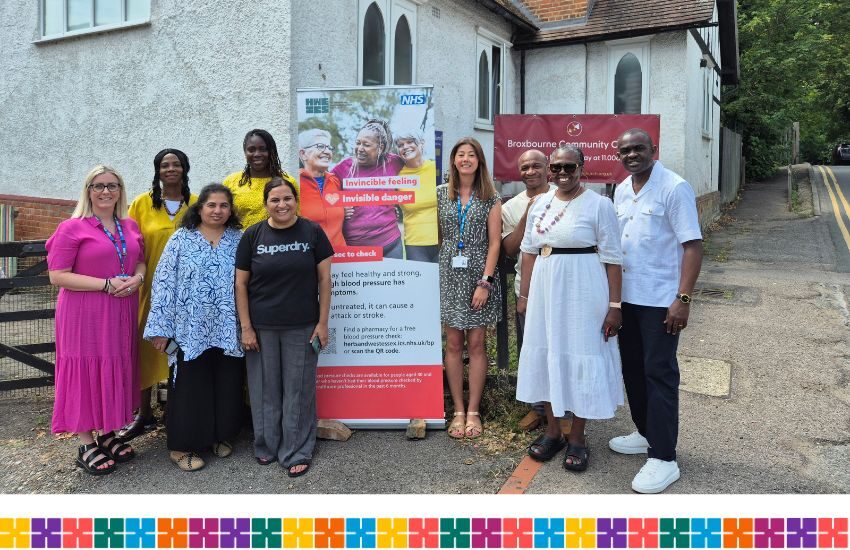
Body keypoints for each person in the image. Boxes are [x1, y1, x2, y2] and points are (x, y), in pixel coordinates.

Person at [515, 146, 624, 471]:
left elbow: (614, 259)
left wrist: (614, 306)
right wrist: (524, 296)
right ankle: (553, 431)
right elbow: (529, 252)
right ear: (550, 169)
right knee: (548, 354)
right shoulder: (540, 204)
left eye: (569, 167)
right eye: (557, 167)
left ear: (581, 167)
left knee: (582, 355)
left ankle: (577, 436)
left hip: (585, 290)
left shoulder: (599, 205)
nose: (563, 173)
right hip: (545, 291)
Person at [609, 128, 703, 493]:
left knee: (659, 373)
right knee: (632, 369)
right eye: (625, 150)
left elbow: (693, 246)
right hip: (628, 298)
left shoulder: (674, 187)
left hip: (661, 301)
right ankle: (646, 432)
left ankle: (664, 458)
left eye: (638, 148)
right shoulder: (622, 189)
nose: (631, 154)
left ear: (653, 150)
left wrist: (683, 299)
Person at [46, 165, 145, 475]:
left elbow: (139, 259)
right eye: (99, 185)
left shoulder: (129, 225)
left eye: (112, 185)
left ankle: (107, 433)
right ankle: (86, 441)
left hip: (120, 310)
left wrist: (138, 278)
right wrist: (105, 284)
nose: (106, 191)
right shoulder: (72, 227)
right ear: (88, 190)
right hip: (84, 312)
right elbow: (57, 275)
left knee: (113, 365)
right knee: (86, 369)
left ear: (120, 190)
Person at [235, 178, 333, 477]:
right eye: (275, 200)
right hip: (261, 327)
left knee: (298, 390)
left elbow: (325, 281)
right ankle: (266, 445)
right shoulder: (253, 235)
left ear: (296, 201)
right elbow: (240, 284)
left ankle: (296, 450)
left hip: (302, 326)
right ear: (266, 204)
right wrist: (246, 327)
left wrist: (323, 323)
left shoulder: (312, 232)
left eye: (287, 198)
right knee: (265, 389)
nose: (282, 205)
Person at [144, 183, 245, 472]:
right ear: (200, 208)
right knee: (190, 386)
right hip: (188, 330)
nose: (218, 210)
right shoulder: (180, 240)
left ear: (230, 210)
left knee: (226, 383)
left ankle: (220, 435)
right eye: (211, 205)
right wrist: (160, 329)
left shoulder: (239, 240)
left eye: (224, 205)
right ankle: (182, 446)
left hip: (228, 327)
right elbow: (163, 283)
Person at [119, 149, 197, 442]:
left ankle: (179, 411)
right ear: (157, 170)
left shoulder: (197, 203)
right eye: (165, 165)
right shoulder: (141, 204)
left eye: (177, 164)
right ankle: (144, 414)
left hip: (187, 291)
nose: (171, 169)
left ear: (185, 168)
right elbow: (127, 243)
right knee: (145, 348)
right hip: (148, 288)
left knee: (185, 348)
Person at [437, 137, 502, 439]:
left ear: (479, 161)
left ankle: (474, 411)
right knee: (452, 345)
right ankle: (457, 410)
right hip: (449, 274)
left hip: (478, 277)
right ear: (453, 160)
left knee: (476, 345)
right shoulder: (439, 195)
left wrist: (485, 283)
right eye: (460, 154)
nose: (465, 159)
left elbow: (495, 243)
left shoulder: (491, 197)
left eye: (471, 155)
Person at [500, 149, 555, 431]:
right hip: (528, 286)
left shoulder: (564, 194)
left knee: (560, 348)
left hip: (560, 286)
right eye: (525, 167)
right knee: (531, 349)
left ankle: (564, 412)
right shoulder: (510, 206)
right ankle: (537, 409)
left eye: (536, 166)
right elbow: (509, 250)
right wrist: (527, 215)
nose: (531, 171)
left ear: (548, 167)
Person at [331, 119, 405, 258]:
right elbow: (323, 196)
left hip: (391, 244)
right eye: (358, 143)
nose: (360, 148)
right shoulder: (342, 169)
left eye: (366, 144)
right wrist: (339, 208)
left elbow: (417, 169)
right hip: (357, 248)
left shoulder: (393, 162)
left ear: (380, 147)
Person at [223, 129, 298, 228]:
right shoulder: (231, 181)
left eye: (263, 149)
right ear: (245, 153)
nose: (257, 154)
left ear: (271, 151)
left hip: (279, 241)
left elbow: (296, 216)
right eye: (251, 149)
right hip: (241, 241)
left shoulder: (287, 181)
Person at [297, 129, 347, 249]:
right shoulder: (293, 183)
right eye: (320, 146)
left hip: (341, 258)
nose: (327, 151)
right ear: (303, 154)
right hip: (309, 259)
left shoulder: (335, 180)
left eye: (329, 148)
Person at [395, 128, 438, 263]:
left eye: (410, 142)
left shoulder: (436, 169)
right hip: (415, 244)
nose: (405, 147)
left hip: (442, 241)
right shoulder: (396, 176)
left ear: (422, 143)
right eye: (400, 145)